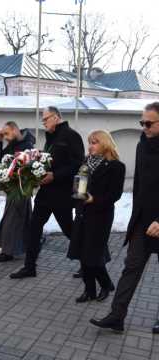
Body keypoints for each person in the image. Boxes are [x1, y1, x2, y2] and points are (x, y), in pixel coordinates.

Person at [90, 102, 159, 333]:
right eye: (142, 123)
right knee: (131, 267)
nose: (144, 127)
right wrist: (136, 216)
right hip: (142, 220)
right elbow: (139, 184)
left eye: (149, 123)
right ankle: (117, 316)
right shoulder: (142, 145)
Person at [10, 106, 85, 279]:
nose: (43, 123)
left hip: (62, 194)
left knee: (69, 230)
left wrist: (55, 175)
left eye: (46, 119)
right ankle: (30, 267)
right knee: (34, 228)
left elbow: (77, 164)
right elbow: (51, 161)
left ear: (57, 117)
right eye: (42, 120)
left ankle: (88, 263)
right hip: (46, 193)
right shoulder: (51, 137)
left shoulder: (71, 136)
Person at [68, 130, 125, 303]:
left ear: (105, 143)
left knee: (92, 256)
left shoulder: (116, 166)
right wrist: (77, 191)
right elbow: (80, 184)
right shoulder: (86, 162)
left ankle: (106, 284)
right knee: (83, 255)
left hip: (100, 216)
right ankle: (89, 290)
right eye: (90, 142)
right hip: (83, 213)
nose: (90, 146)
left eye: (94, 142)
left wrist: (95, 199)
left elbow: (115, 195)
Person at [0, 122, 35, 262]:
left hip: (21, 188)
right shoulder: (13, 143)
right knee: (23, 219)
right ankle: (32, 244)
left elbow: (26, 167)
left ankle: (8, 252)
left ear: (15, 130)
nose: (6, 138)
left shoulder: (27, 145)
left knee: (12, 220)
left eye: (6, 134)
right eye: (3, 135)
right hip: (13, 187)